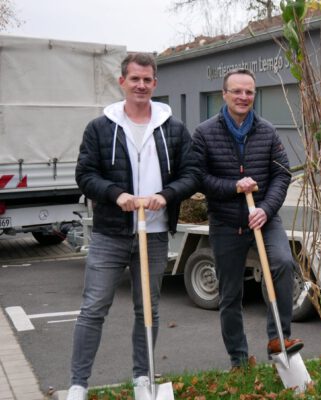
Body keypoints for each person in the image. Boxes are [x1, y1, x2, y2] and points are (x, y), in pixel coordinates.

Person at [67, 53, 198, 399]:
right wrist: (115, 194)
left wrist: (167, 195)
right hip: (111, 233)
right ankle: (78, 384)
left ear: (155, 83)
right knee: (94, 308)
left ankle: (144, 378)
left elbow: (192, 173)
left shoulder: (173, 127)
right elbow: (84, 174)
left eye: (147, 79)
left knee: (148, 310)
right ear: (122, 81)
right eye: (135, 79)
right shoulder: (100, 127)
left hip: (153, 234)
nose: (141, 85)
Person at [191, 68, 303, 369]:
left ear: (254, 95)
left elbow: (282, 173)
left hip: (264, 218)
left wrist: (266, 208)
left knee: (283, 263)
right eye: (237, 91)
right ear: (224, 94)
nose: (243, 97)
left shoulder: (267, 131)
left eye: (249, 92)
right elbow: (198, 177)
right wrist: (232, 186)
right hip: (226, 222)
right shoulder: (205, 132)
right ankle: (239, 358)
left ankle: (279, 339)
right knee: (230, 293)